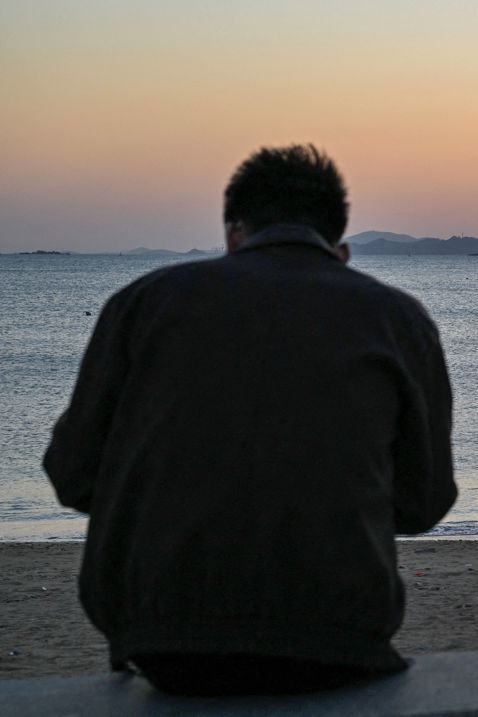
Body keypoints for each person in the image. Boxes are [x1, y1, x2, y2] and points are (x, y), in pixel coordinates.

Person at [44, 144, 456, 695]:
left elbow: (72, 476)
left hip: (161, 637)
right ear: (341, 247)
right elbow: (423, 502)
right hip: (340, 638)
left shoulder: (143, 304)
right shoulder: (398, 318)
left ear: (233, 235)